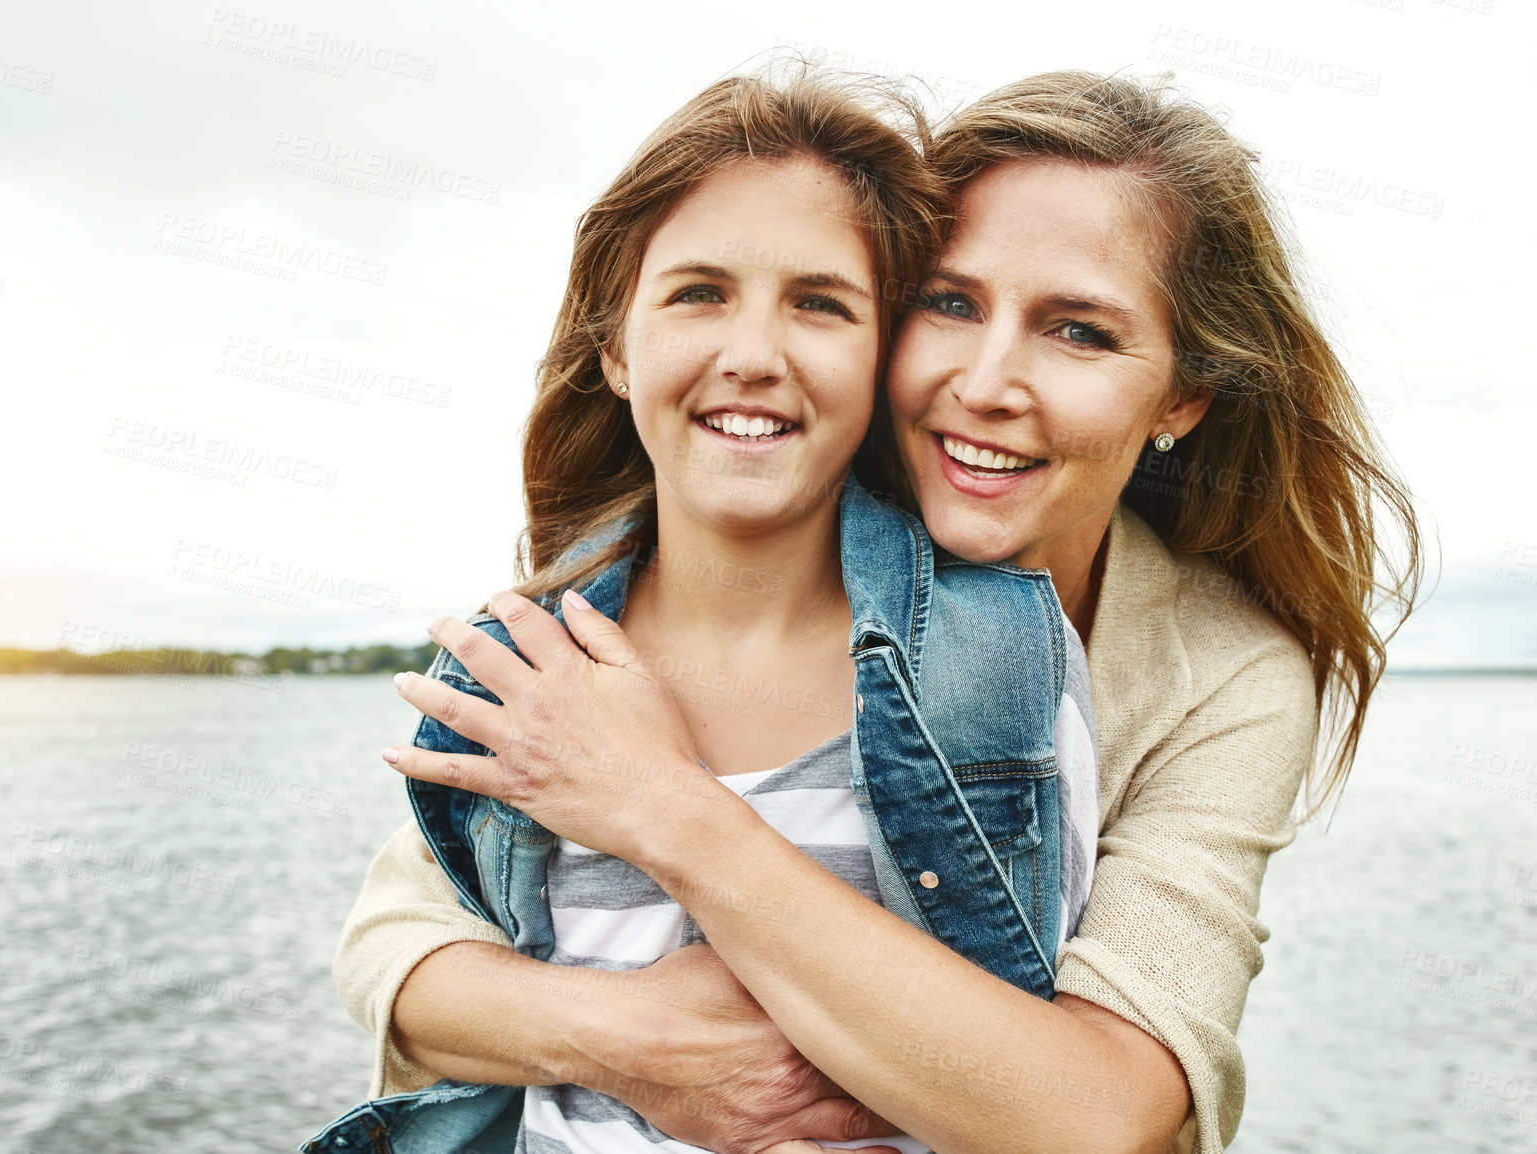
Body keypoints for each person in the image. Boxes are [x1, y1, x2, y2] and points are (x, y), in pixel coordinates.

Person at [332, 70, 1420, 1154]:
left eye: (1078, 331)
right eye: (948, 303)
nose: (986, 383)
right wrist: (639, 1044)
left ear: (1183, 392)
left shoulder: (1218, 665)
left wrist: (665, 807)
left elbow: (1102, 1111)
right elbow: (400, 938)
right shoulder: (725, 551)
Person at [302, 68, 1104, 1154]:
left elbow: (1041, 1092)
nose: (753, 356)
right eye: (697, 292)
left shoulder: (995, 656)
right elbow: (402, 949)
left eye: (821, 304)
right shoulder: (523, 663)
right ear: (617, 348)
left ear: (883, 358)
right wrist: (622, 1037)